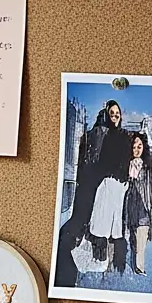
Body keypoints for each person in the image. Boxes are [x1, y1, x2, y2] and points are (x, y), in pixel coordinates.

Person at [57, 98, 124, 280]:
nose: (115, 117)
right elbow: (99, 164)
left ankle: (72, 270)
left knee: (81, 229)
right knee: (85, 228)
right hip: (95, 190)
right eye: (112, 114)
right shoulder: (102, 134)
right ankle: (71, 273)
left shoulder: (104, 134)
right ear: (105, 115)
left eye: (117, 115)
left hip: (93, 189)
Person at [87, 150, 129, 277]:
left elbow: (97, 199)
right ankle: (105, 265)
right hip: (111, 218)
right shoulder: (121, 183)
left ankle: (102, 264)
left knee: (103, 242)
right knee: (108, 242)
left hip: (106, 218)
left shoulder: (108, 180)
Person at [122, 129, 152, 278]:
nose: (136, 149)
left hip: (142, 208)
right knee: (130, 239)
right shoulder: (125, 165)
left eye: (139, 146)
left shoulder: (148, 167)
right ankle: (129, 264)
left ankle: (139, 268)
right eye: (134, 146)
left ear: (144, 148)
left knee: (141, 241)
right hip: (129, 208)